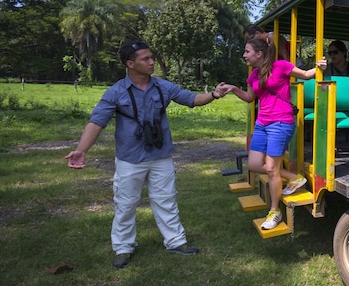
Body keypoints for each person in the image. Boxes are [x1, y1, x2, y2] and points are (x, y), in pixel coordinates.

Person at [65, 41, 230, 269]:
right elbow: (97, 122)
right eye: (145, 59)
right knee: (125, 204)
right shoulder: (116, 92)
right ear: (130, 64)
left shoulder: (163, 87)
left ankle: (175, 242)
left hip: (161, 155)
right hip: (130, 158)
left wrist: (214, 94)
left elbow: (192, 99)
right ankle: (123, 248)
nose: (152, 62)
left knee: (167, 200)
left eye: (152, 57)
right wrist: (81, 150)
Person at [223, 37, 327, 230]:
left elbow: (305, 74)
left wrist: (319, 66)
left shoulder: (281, 66)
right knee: (254, 164)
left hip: (281, 123)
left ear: (259, 53)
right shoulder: (252, 76)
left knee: (271, 168)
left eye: (247, 51)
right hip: (262, 124)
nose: (244, 55)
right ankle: (293, 177)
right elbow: (249, 98)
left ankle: (275, 212)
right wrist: (233, 89)